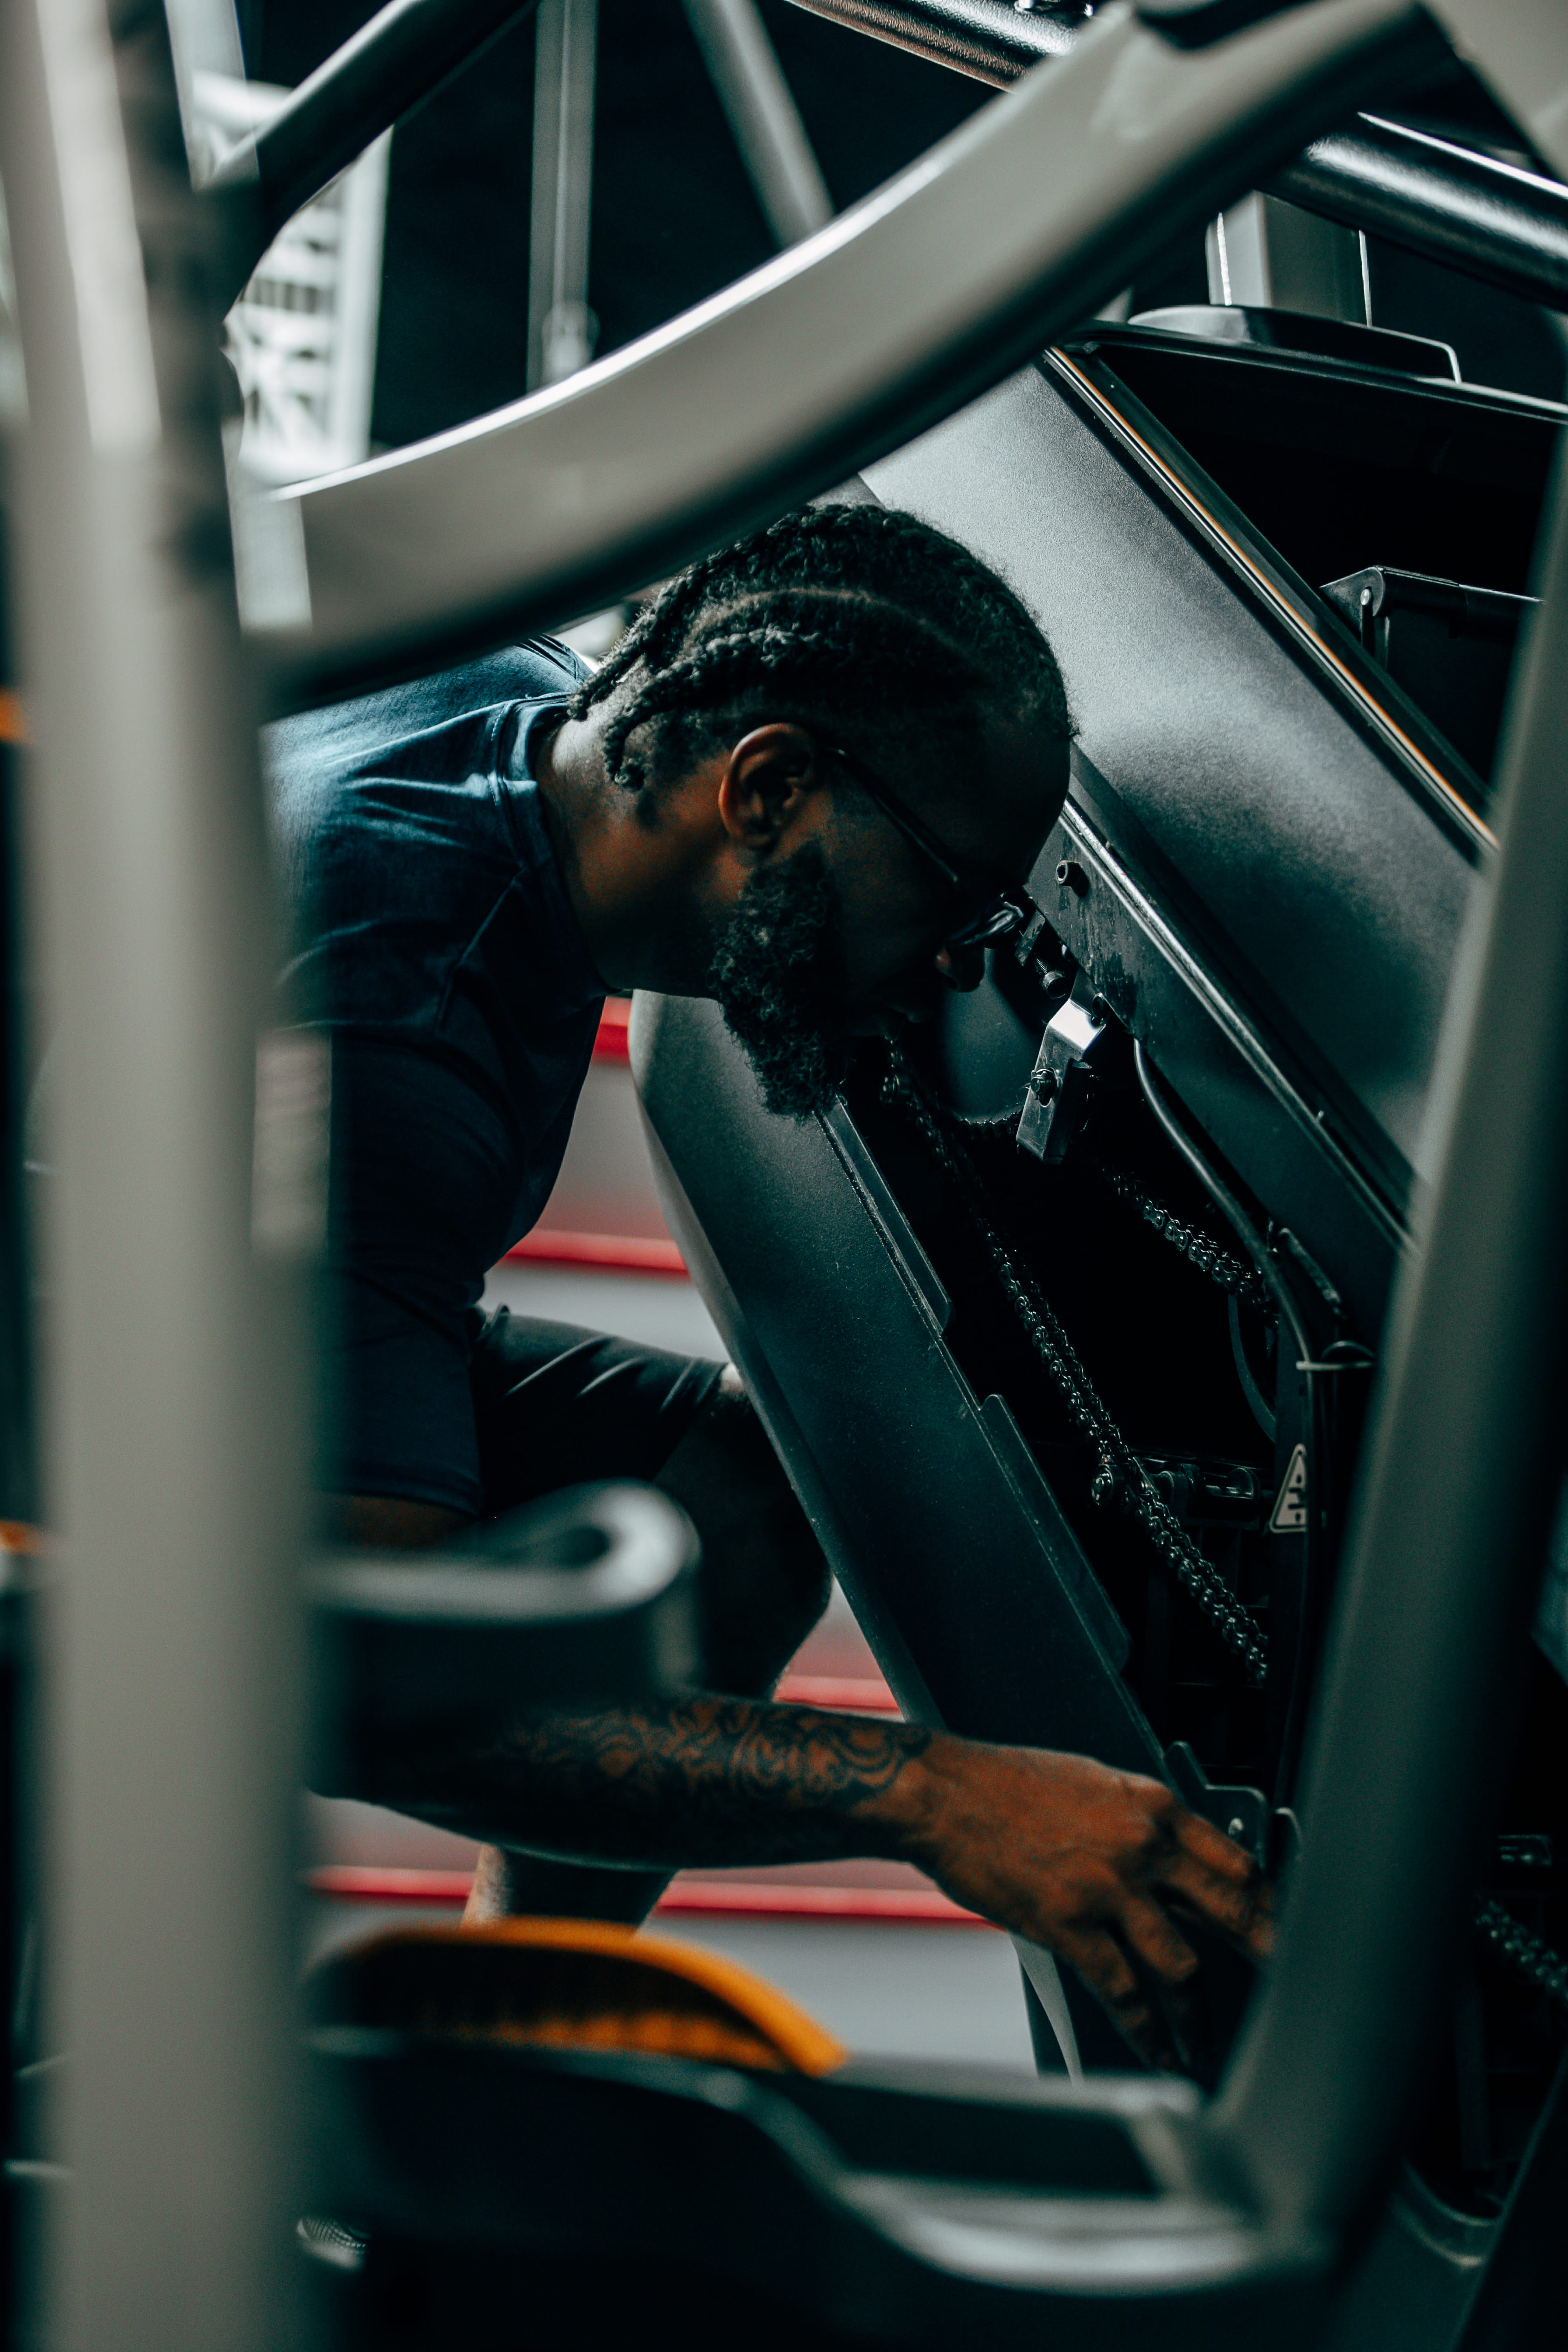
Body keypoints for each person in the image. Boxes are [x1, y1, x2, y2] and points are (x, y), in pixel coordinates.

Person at [268, 502, 1271, 2072]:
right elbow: (364, 1686)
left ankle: (493, 2066)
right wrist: (940, 1801)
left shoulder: (513, 708)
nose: (955, 965)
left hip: (183, 1311)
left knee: (734, 1492)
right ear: (770, 786)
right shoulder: (385, 1029)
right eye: (946, 899)